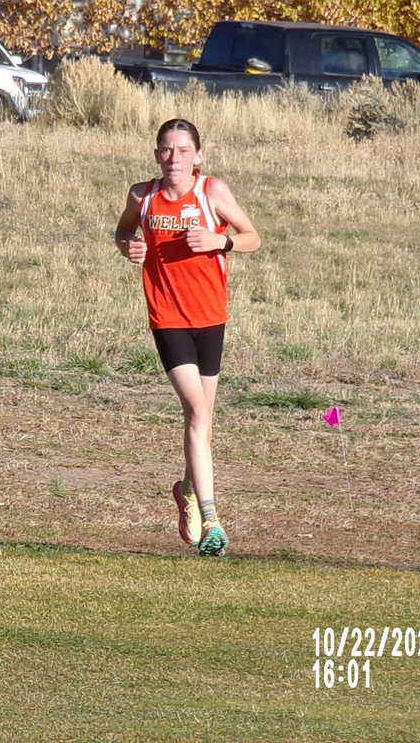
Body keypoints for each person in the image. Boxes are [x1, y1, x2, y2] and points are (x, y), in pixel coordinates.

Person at [113, 118, 261, 557]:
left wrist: (221, 241)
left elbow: (252, 237)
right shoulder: (142, 196)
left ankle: (187, 492)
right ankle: (214, 520)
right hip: (168, 317)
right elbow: (123, 231)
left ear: (198, 156)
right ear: (156, 154)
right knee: (196, 409)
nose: (173, 157)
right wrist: (128, 247)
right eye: (166, 149)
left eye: (182, 150)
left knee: (203, 421)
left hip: (211, 317)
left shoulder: (211, 192)